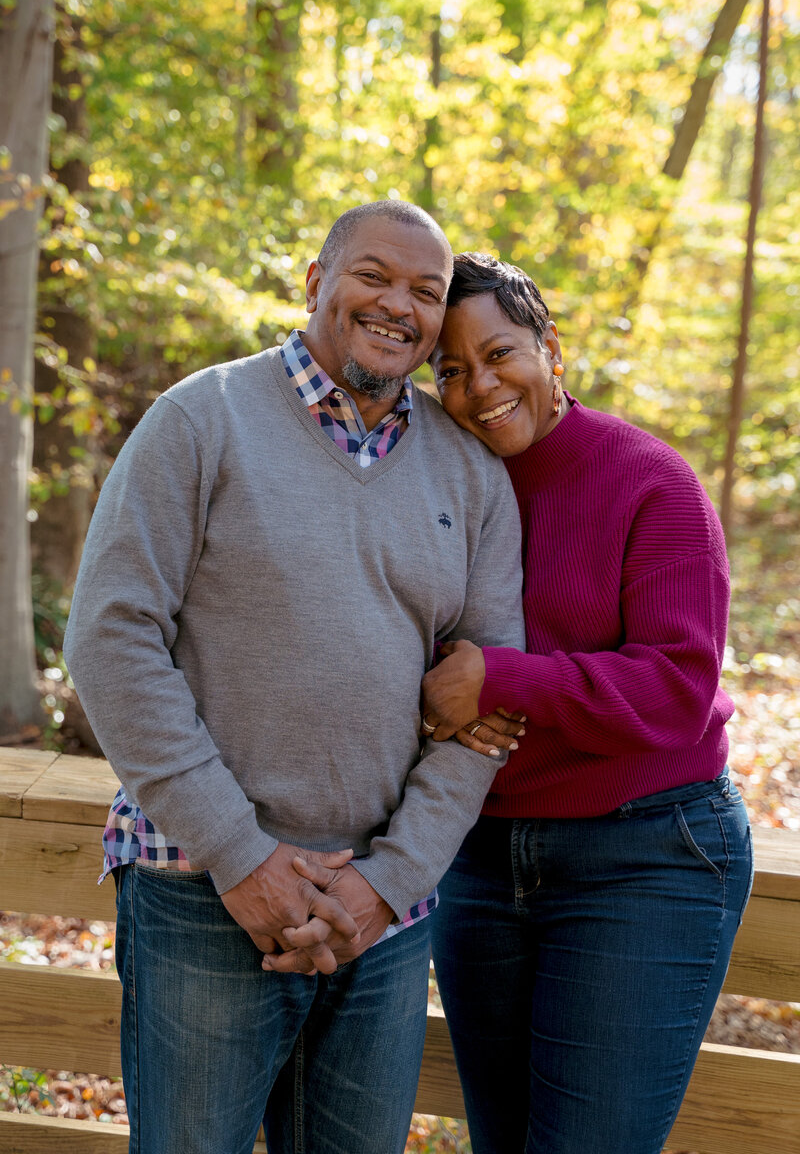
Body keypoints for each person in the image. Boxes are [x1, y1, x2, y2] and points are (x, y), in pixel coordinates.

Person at [63, 206, 526, 1154]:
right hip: (201, 887)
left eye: (426, 293)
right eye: (373, 276)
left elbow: (488, 710)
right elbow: (111, 640)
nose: (399, 306)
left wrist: (387, 884)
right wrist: (241, 853)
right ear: (313, 282)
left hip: (383, 921)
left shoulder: (472, 474)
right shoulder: (202, 419)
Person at [421, 252, 753, 1154]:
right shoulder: (434, 487)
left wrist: (503, 678)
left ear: (550, 348)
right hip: (480, 861)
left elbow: (680, 688)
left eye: (498, 354)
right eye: (450, 370)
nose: (479, 385)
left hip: (644, 854)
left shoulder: (652, 483)